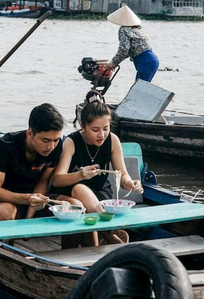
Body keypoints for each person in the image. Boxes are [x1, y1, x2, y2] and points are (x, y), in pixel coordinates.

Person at [52, 90, 143, 245]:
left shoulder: (112, 140)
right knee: (79, 190)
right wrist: (81, 175)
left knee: (88, 213)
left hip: (100, 195)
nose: (102, 135)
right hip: (70, 193)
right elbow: (57, 180)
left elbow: (122, 175)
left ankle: (100, 241)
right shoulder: (72, 142)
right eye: (95, 130)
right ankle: (109, 233)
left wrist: (129, 183)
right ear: (83, 127)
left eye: (106, 128)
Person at [0, 104, 83, 245]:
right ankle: (7, 251)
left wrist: (30, 217)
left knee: (75, 206)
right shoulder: (5, 146)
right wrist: (28, 199)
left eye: (55, 140)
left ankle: (70, 254)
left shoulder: (55, 147)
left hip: (36, 200)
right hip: (6, 201)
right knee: (5, 211)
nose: (51, 146)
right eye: (45, 140)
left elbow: (42, 182)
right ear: (30, 133)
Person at [106, 5, 159, 82]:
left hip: (146, 62)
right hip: (153, 60)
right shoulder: (137, 30)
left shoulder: (124, 29)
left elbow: (124, 50)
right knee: (141, 88)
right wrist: (115, 62)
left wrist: (113, 63)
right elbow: (130, 50)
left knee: (138, 90)